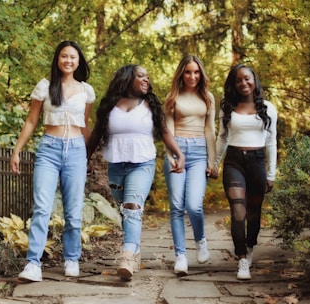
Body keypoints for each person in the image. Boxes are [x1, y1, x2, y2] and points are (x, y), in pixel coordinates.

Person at [87, 64, 185, 281]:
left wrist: (179, 154)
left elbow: (165, 131)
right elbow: (95, 134)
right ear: (127, 78)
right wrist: (85, 158)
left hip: (143, 164)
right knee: (126, 211)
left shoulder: (150, 104)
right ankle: (134, 249)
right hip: (116, 165)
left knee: (132, 207)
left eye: (148, 77)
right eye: (141, 76)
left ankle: (127, 256)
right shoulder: (110, 105)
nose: (146, 80)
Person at [10, 41, 95, 282]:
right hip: (48, 148)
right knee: (42, 208)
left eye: (73, 57)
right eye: (64, 56)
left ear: (79, 61)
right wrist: (17, 151)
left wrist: (89, 157)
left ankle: (71, 257)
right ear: (58, 59)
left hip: (76, 150)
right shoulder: (45, 87)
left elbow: (85, 125)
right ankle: (33, 264)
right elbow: (31, 121)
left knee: (74, 209)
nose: (68, 60)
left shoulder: (86, 91)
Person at [214, 64, 277, 280]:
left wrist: (271, 174)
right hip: (234, 162)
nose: (244, 83)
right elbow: (222, 137)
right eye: (238, 80)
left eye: (247, 78)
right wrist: (214, 162)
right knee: (238, 211)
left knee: (254, 212)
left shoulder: (268, 108)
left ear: (254, 80)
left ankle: (250, 247)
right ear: (234, 84)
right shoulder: (227, 108)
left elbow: (271, 142)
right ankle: (241, 259)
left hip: (257, 161)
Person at [163, 55, 217, 276]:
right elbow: (168, 130)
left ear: (200, 74)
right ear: (181, 74)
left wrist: (213, 162)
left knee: (194, 205)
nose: (192, 76)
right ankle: (181, 256)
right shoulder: (172, 97)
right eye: (188, 72)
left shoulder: (208, 97)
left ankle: (200, 240)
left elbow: (210, 130)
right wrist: (171, 157)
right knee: (177, 206)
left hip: (199, 152)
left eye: (196, 72)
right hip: (178, 150)